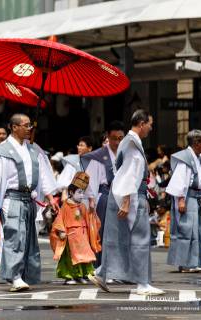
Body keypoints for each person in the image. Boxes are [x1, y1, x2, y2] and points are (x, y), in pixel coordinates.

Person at [89, 109, 165, 296]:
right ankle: (142, 284)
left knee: (118, 238)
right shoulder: (132, 143)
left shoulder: (128, 142)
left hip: (125, 194)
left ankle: (101, 272)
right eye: (150, 124)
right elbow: (130, 174)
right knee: (140, 240)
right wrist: (126, 202)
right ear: (141, 123)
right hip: (129, 196)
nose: (151, 128)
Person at [0, 113, 59, 292]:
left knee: (28, 238)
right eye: (25, 125)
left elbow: (43, 177)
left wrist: (49, 198)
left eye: (30, 125)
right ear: (14, 127)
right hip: (12, 199)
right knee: (15, 237)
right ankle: (14, 276)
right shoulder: (2, 151)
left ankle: (25, 274)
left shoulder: (33, 150)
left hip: (28, 199)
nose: (29, 128)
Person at [81, 121, 124, 267]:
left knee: (120, 234)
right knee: (103, 233)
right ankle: (102, 266)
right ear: (107, 137)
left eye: (120, 138)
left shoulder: (126, 153)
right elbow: (91, 181)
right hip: (105, 196)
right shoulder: (99, 156)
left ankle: (118, 267)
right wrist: (90, 202)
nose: (117, 142)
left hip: (123, 197)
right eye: (114, 138)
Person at [166, 130, 201, 273]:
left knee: (196, 231)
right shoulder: (185, 158)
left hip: (196, 199)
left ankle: (193, 262)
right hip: (187, 198)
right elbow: (180, 181)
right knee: (186, 231)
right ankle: (184, 263)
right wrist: (181, 200)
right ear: (197, 143)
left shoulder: (197, 158)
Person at [50, 172, 101, 285]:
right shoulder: (66, 205)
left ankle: (81, 275)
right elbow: (59, 219)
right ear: (71, 192)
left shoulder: (82, 206)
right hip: (71, 236)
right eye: (79, 192)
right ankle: (70, 276)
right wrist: (62, 231)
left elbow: (89, 220)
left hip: (82, 236)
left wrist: (92, 215)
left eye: (83, 192)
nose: (82, 195)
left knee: (83, 256)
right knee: (71, 257)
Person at [56, 136, 93, 200]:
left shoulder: (95, 163)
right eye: (78, 145)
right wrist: (64, 193)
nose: (79, 147)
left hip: (89, 199)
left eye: (82, 145)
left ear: (89, 148)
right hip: (73, 199)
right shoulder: (73, 162)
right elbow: (64, 180)